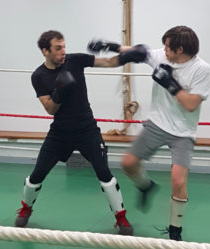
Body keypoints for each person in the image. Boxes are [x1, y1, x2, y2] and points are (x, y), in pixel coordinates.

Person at [14, 30, 148, 235]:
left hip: (87, 129)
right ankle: (26, 209)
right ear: (45, 51)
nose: (63, 52)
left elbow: (109, 63)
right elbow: (50, 109)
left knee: (104, 173)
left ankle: (121, 218)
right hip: (60, 132)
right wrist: (59, 91)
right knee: (37, 175)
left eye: (64, 47)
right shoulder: (38, 76)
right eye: (57, 48)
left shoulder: (75, 61)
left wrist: (127, 55)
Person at [89, 26, 210, 241]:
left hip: (183, 131)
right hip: (157, 124)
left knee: (178, 181)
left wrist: (171, 84)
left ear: (179, 49)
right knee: (127, 164)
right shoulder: (163, 56)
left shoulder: (201, 69)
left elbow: (191, 104)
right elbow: (139, 51)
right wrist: (110, 46)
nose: (163, 50)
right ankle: (146, 186)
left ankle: (175, 231)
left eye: (167, 47)